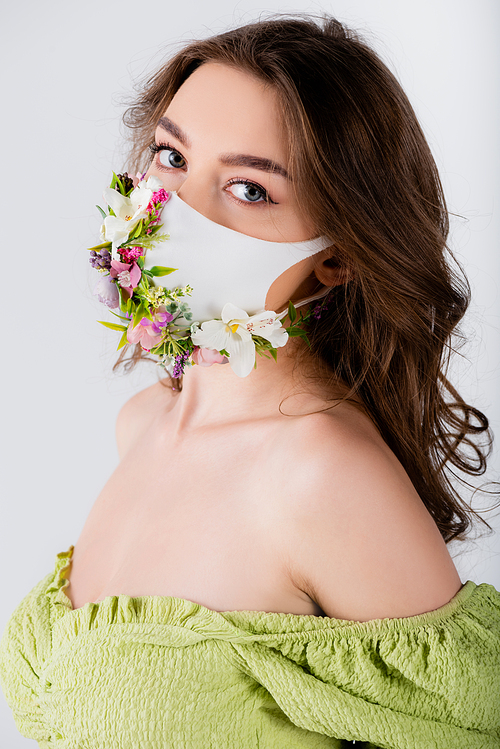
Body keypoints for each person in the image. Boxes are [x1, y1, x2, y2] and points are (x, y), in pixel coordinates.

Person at [1, 14, 499, 749]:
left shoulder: (321, 472)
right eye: (171, 156)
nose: (176, 208)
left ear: (338, 256)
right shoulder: (142, 423)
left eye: (249, 188)